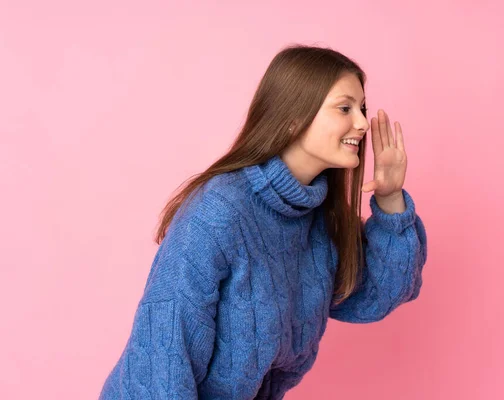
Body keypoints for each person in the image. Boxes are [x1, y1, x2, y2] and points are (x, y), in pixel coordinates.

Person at [99, 43, 428, 399]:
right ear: (293, 117)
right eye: (345, 108)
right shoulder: (221, 210)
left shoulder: (320, 222)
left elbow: (376, 297)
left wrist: (390, 197)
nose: (362, 123)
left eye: (361, 108)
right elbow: (166, 350)